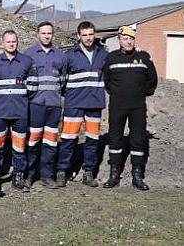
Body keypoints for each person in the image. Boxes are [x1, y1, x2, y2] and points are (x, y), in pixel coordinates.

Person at [102, 26, 157, 190]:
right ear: (119, 40)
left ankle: (137, 175)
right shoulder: (111, 58)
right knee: (115, 138)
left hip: (137, 106)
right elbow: (107, 82)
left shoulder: (143, 57)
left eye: (131, 38)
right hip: (118, 106)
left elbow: (152, 80)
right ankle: (114, 174)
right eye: (125, 38)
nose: (128, 41)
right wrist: (118, 94)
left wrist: (140, 93)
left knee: (138, 139)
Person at [57, 21, 108, 188]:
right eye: (84, 35)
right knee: (68, 139)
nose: (88, 38)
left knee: (92, 140)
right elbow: (62, 80)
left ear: (95, 34)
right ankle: (62, 171)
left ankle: (88, 172)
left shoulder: (103, 54)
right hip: (74, 103)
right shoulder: (69, 55)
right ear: (78, 36)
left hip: (94, 103)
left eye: (90, 34)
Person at [0, 30, 37, 193]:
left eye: (14, 41)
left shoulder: (27, 61)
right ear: (3, 43)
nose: (11, 44)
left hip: (20, 112)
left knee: (20, 146)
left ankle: (18, 175)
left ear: (17, 42)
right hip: (0, 112)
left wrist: (18, 97)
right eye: (8, 41)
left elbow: (33, 87)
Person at [24, 21, 66, 189]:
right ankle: (30, 175)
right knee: (33, 142)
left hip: (54, 105)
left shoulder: (60, 56)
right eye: (43, 33)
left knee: (51, 142)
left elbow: (63, 80)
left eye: (49, 33)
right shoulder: (29, 54)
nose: (46, 36)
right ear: (38, 34)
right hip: (35, 105)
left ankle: (47, 175)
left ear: (52, 35)